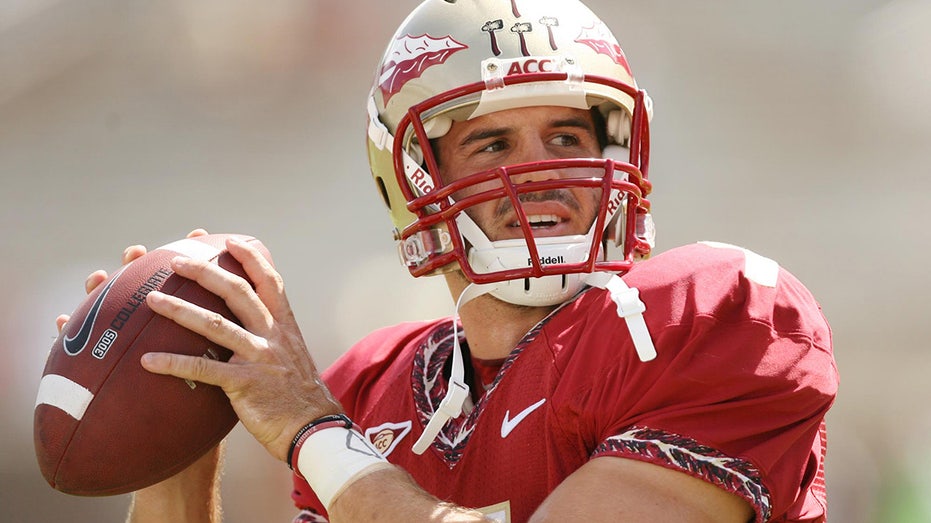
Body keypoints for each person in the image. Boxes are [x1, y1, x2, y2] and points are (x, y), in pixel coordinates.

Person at [58, 0, 838, 521]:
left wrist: (309, 426)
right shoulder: (371, 387)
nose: (541, 170)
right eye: (493, 143)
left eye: (567, 137)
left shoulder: (719, 311)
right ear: (415, 180)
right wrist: (174, 439)